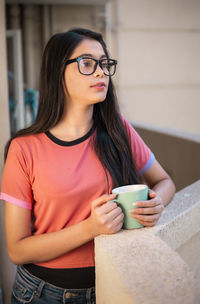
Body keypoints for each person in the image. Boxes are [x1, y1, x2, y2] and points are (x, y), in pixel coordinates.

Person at [0, 28, 175, 304]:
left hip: (113, 285)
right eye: (87, 63)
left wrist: (157, 203)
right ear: (58, 71)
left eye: (104, 64)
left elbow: (165, 181)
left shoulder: (119, 130)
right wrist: (89, 228)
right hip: (41, 293)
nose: (101, 72)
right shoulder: (24, 148)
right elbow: (17, 249)